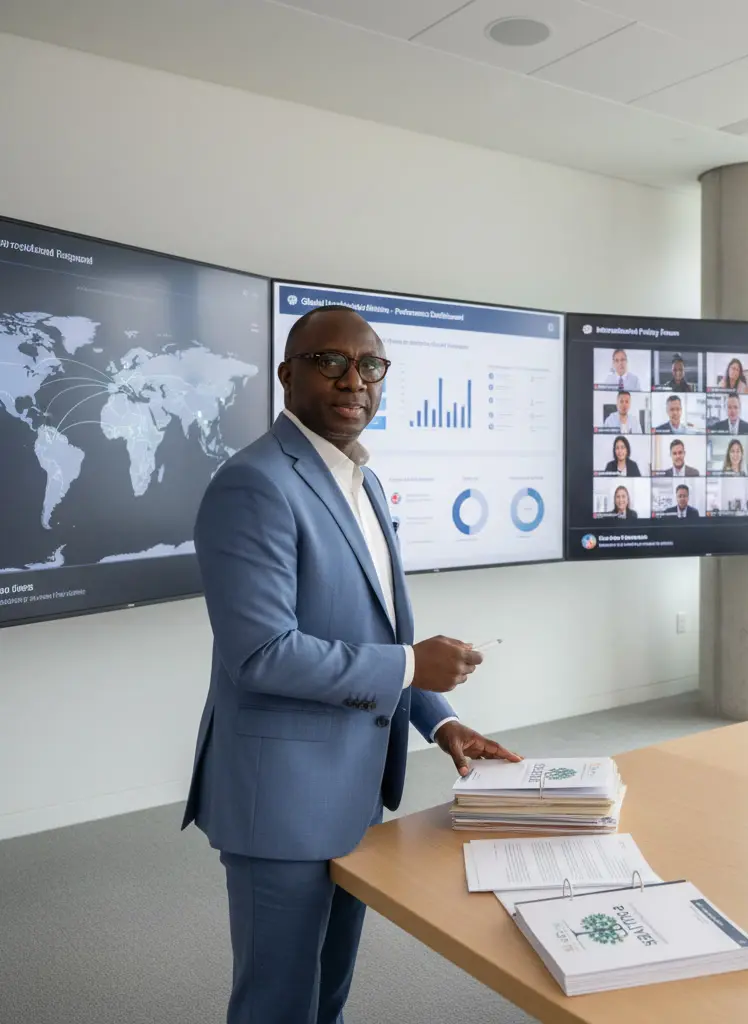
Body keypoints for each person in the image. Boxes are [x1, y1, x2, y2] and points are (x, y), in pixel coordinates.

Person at [181, 305, 520, 1024]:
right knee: (278, 1003)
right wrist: (410, 667)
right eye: (330, 361)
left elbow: (378, 629)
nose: (354, 380)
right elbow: (261, 654)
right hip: (281, 799)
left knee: (328, 992)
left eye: (370, 366)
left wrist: (442, 723)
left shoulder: (359, 478)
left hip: (352, 789)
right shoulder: (254, 484)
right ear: (286, 375)